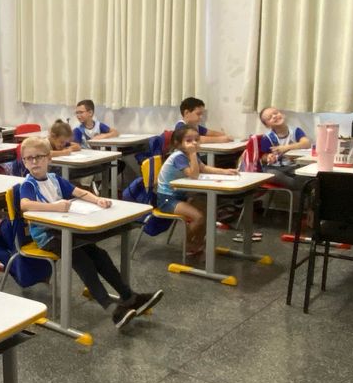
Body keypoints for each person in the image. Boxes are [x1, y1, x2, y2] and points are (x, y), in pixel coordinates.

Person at [17, 136, 161, 329]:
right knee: (81, 259)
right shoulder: (29, 184)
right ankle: (111, 308)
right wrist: (54, 207)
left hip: (66, 230)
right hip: (47, 236)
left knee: (99, 255)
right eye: (29, 158)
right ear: (24, 162)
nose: (34, 162)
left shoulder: (54, 179)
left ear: (49, 158)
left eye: (39, 157)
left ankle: (129, 297)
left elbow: (78, 192)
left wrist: (97, 200)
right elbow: (25, 205)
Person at [156, 123, 215, 263]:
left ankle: (197, 243)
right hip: (167, 199)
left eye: (196, 139)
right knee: (198, 217)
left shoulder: (190, 154)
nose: (194, 143)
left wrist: (226, 172)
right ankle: (186, 244)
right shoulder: (179, 156)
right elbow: (194, 175)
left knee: (208, 212)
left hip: (181, 196)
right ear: (178, 144)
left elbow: (203, 168)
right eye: (189, 140)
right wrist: (193, 153)